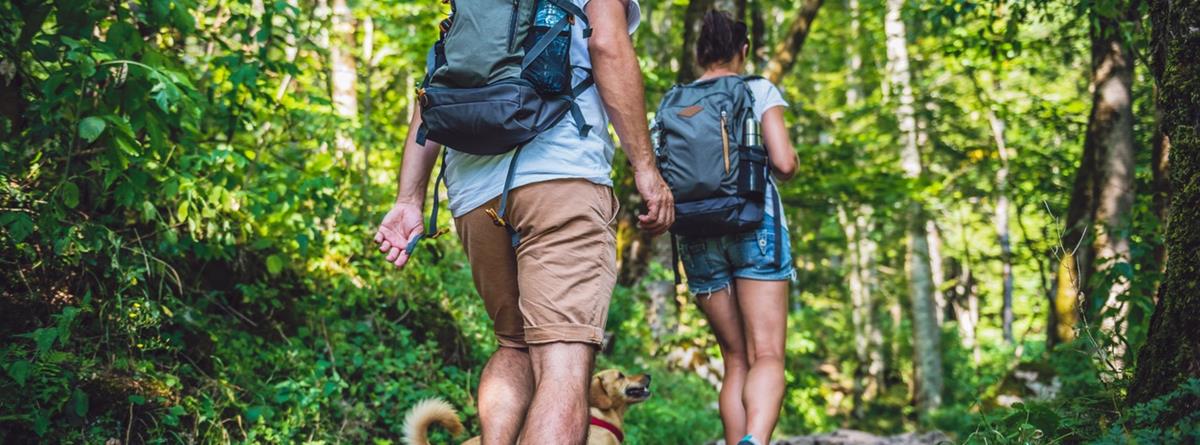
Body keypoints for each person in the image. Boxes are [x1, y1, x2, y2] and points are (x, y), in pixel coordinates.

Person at [374, 0, 673, 444]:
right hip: (561, 173)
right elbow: (608, 45)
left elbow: (435, 81)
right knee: (563, 360)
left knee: (513, 344)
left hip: (474, 189)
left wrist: (408, 198)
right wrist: (646, 168)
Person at [675, 10, 798, 445]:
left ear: (699, 53)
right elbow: (784, 163)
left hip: (696, 234)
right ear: (742, 51)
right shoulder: (756, 89)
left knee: (734, 359)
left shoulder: (675, 101)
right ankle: (755, 440)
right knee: (767, 354)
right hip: (754, 224)